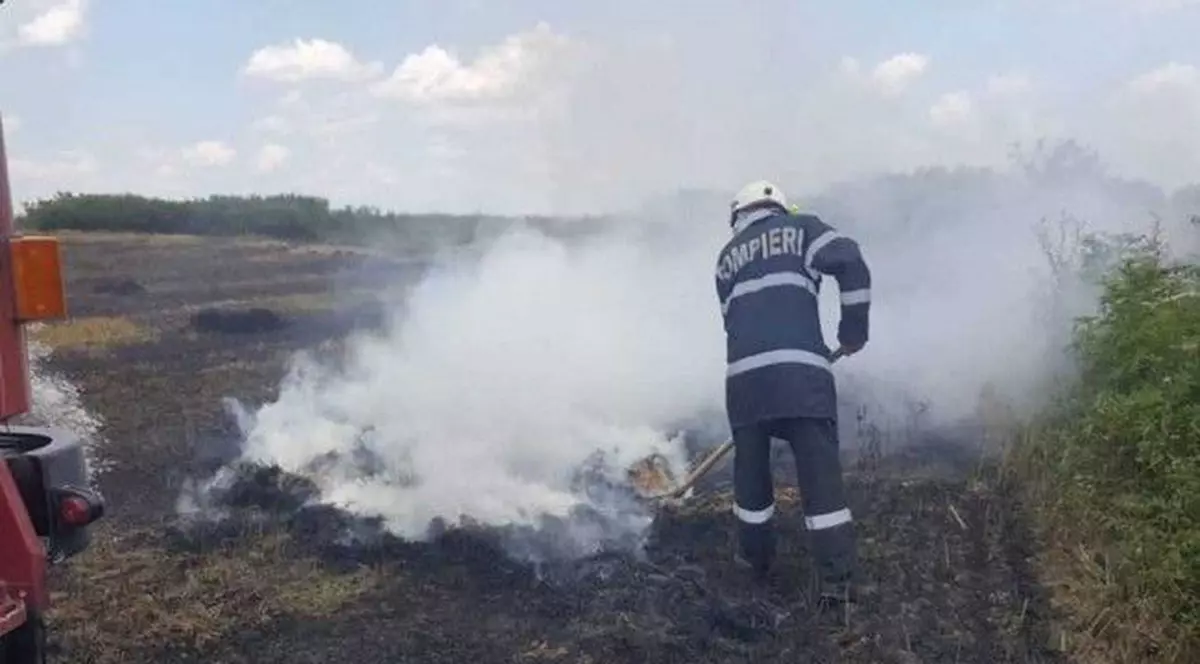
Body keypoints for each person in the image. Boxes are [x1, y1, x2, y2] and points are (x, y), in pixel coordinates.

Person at [713, 179, 871, 607]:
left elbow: (738, 321)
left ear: (739, 216)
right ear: (779, 208)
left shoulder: (725, 259)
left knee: (750, 478)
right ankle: (837, 583)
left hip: (743, 382)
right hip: (800, 374)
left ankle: (754, 562)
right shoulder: (802, 229)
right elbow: (850, 261)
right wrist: (853, 330)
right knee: (819, 477)